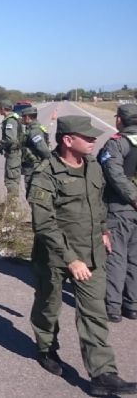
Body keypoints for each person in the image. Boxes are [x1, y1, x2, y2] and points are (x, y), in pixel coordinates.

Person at [28, 115, 137, 396]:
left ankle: (103, 375)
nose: (93, 141)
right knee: (48, 307)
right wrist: (70, 259)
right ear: (68, 140)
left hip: (91, 252)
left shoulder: (92, 167)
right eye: (87, 137)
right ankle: (45, 348)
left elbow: (98, 203)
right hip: (55, 256)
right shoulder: (45, 174)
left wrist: (103, 230)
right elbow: (44, 224)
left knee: (94, 314)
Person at [98, 103, 137, 323]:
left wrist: (133, 198)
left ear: (120, 120)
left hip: (120, 207)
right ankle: (132, 305)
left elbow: (114, 174)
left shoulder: (117, 143)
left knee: (116, 256)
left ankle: (113, 306)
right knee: (134, 257)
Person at [0, 99, 22, 206]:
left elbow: (10, 139)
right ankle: (11, 204)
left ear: (2, 109)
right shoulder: (14, 117)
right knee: (13, 179)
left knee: (11, 180)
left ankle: (13, 207)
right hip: (14, 153)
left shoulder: (10, 121)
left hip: (13, 154)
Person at [19, 106, 51, 192]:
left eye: (23, 117)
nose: (22, 119)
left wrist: (47, 160)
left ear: (28, 117)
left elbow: (43, 149)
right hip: (34, 165)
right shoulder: (36, 127)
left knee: (31, 192)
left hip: (34, 166)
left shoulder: (34, 131)